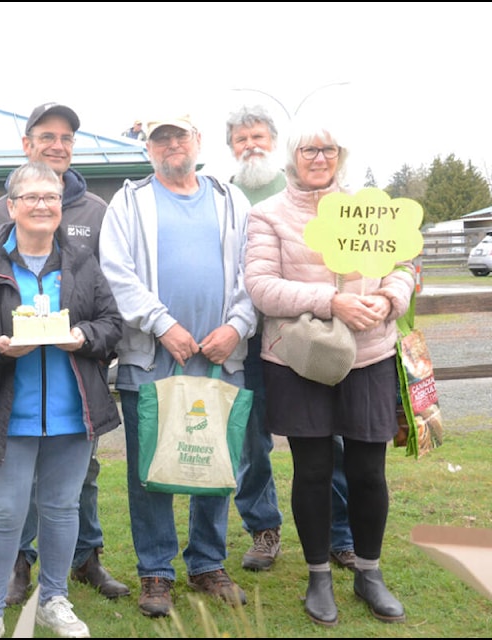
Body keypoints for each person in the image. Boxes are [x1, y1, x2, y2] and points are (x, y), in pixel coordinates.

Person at [244, 119, 412, 626]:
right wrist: (332, 301)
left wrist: (387, 298)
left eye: (328, 149)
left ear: (340, 154)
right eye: (308, 149)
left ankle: (368, 572)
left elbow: (405, 266)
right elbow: (260, 285)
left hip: (369, 355)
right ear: (292, 157)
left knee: (367, 471)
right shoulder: (266, 215)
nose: (319, 158)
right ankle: (319, 576)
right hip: (300, 358)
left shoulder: (373, 209)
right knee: (313, 471)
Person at [0, 161, 123, 638]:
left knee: (62, 509)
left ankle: (54, 598)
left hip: (72, 412)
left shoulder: (82, 262)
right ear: (12, 206)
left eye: (52, 197)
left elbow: (112, 325)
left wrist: (82, 337)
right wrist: (0, 346)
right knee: (4, 512)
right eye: (32, 197)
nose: (43, 205)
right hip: (9, 412)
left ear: (61, 206)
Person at [98, 115, 256, 616]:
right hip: (152, 355)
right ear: (148, 148)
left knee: (215, 458)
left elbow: (256, 270)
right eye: (159, 138)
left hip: (220, 355)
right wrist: (162, 323)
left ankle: (209, 563)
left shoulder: (233, 201)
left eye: (178, 135)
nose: (170, 145)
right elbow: (116, 273)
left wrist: (237, 325)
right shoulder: (128, 201)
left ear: (198, 141)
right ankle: (155, 573)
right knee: (150, 468)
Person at [224, 104, 357, 572]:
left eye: (258, 136)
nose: (250, 145)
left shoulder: (305, 186)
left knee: (331, 439)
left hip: (311, 337)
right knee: (251, 442)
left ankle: (341, 532)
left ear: (277, 142)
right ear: (230, 147)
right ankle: (264, 528)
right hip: (248, 339)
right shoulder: (224, 193)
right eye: (241, 139)